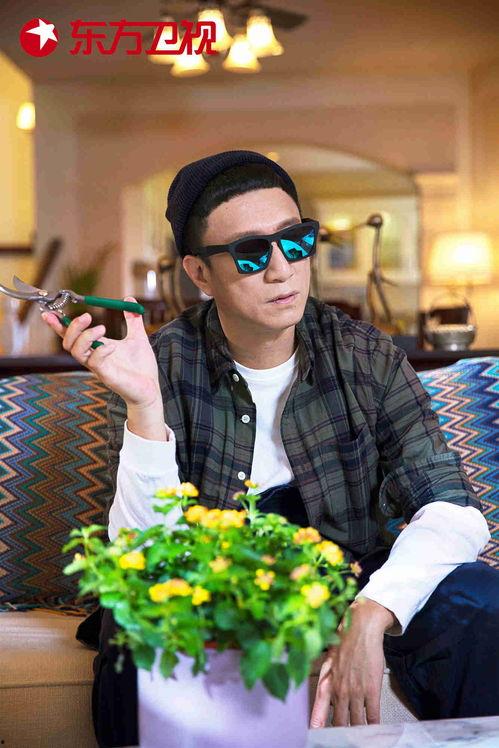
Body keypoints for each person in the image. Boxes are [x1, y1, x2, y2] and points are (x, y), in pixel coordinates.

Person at [42, 150, 495, 746]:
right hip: (212, 588)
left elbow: (453, 508)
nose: (282, 269)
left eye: (295, 241)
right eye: (252, 253)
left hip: (351, 575)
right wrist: (144, 405)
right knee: (135, 620)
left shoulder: (366, 355)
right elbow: (144, 554)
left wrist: (373, 611)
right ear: (200, 274)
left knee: (480, 601)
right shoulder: (162, 363)